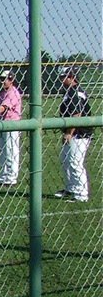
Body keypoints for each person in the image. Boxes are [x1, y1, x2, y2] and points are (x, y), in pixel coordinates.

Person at [54, 66, 93, 202]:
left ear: (71, 77)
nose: (61, 79)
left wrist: (69, 133)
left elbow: (77, 114)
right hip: (73, 132)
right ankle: (71, 188)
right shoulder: (70, 91)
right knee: (66, 161)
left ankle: (81, 194)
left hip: (79, 133)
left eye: (64, 77)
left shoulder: (75, 93)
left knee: (75, 162)